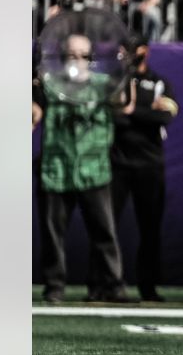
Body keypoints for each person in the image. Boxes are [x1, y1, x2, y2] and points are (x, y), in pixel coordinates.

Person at [34, 25, 130, 304]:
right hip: (57, 167)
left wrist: (127, 68)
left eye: (83, 55)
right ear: (61, 57)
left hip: (94, 168)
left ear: (91, 58)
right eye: (71, 55)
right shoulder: (50, 83)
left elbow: (123, 103)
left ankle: (111, 285)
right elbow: (35, 107)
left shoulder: (103, 84)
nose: (77, 60)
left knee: (104, 233)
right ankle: (54, 286)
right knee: (53, 234)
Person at [108, 35, 178, 302]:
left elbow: (165, 116)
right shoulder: (115, 80)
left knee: (150, 228)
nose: (126, 54)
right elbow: (112, 117)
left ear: (144, 51)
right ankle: (106, 283)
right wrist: (145, 111)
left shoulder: (158, 82)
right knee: (107, 227)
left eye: (131, 49)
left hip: (150, 165)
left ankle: (148, 286)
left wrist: (130, 110)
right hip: (117, 164)